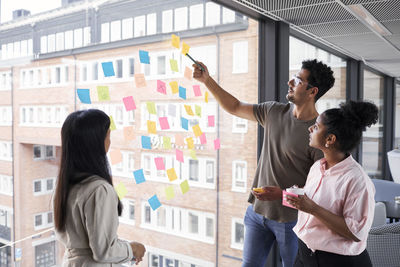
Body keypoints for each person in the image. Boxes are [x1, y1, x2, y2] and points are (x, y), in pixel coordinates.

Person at [193, 59, 335, 266]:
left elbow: (319, 189)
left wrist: (282, 194)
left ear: (312, 91)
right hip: (256, 212)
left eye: (297, 80)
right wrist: (207, 80)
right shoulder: (273, 112)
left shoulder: (318, 133)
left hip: (292, 221)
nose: (290, 82)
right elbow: (234, 106)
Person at [287, 101, 377, 267]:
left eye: (316, 126)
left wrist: (312, 208)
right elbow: (316, 203)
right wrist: (280, 194)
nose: (310, 129)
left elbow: (356, 232)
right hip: (305, 254)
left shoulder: (357, 180)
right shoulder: (317, 167)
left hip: (338, 261)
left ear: (330, 139)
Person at [53, 109, 146, 266]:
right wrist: (133, 249)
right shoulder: (99, 189)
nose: (110, 141)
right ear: (96, 143)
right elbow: (104, 251)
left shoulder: (64, 184)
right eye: (108, 135)